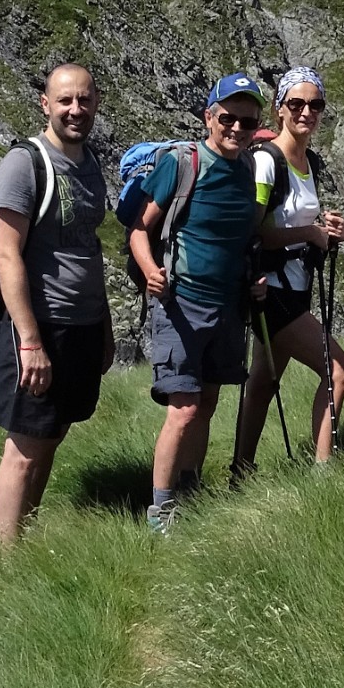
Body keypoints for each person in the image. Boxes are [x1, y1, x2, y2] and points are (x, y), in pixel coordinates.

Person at [130, 72, 265, 532]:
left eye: (247, 122)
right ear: (209, 117)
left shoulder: (248, 167)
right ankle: (161, 511)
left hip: (229, 304)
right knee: (184, 408)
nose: (237, 129)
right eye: (228, 118)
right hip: (181, 301)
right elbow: (139, 228)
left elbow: (240, 236)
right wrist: (150, 270)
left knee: (206, 401)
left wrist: (254, 278)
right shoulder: (183, 162)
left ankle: (189, 490)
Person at [0, 63, 113, 546]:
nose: (75, 109)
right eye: (65, 100)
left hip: (81, 325)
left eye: (84, 99)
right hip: (42, 327)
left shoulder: (88, 164)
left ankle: (27, 540)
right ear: (46, 104)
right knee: (25, 446)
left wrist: (103, 327)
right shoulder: (24, 164)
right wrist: (30, 342)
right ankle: (8, 564)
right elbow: (5, 253)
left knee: (51, 435)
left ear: (96, 102)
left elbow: (90, 248)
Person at [234, 67, 344, 470]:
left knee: (263, 383)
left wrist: (337, 231)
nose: (307, 112)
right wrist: (312, 232)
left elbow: (301, 227)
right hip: (274, 291)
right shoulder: (267, 162)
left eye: (315, 104)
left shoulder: (310, 163)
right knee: (339, 370)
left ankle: (241, 468)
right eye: (297, 104)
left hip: (294, 286)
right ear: (279, 109)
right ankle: (323, 474)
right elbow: (254, 230)